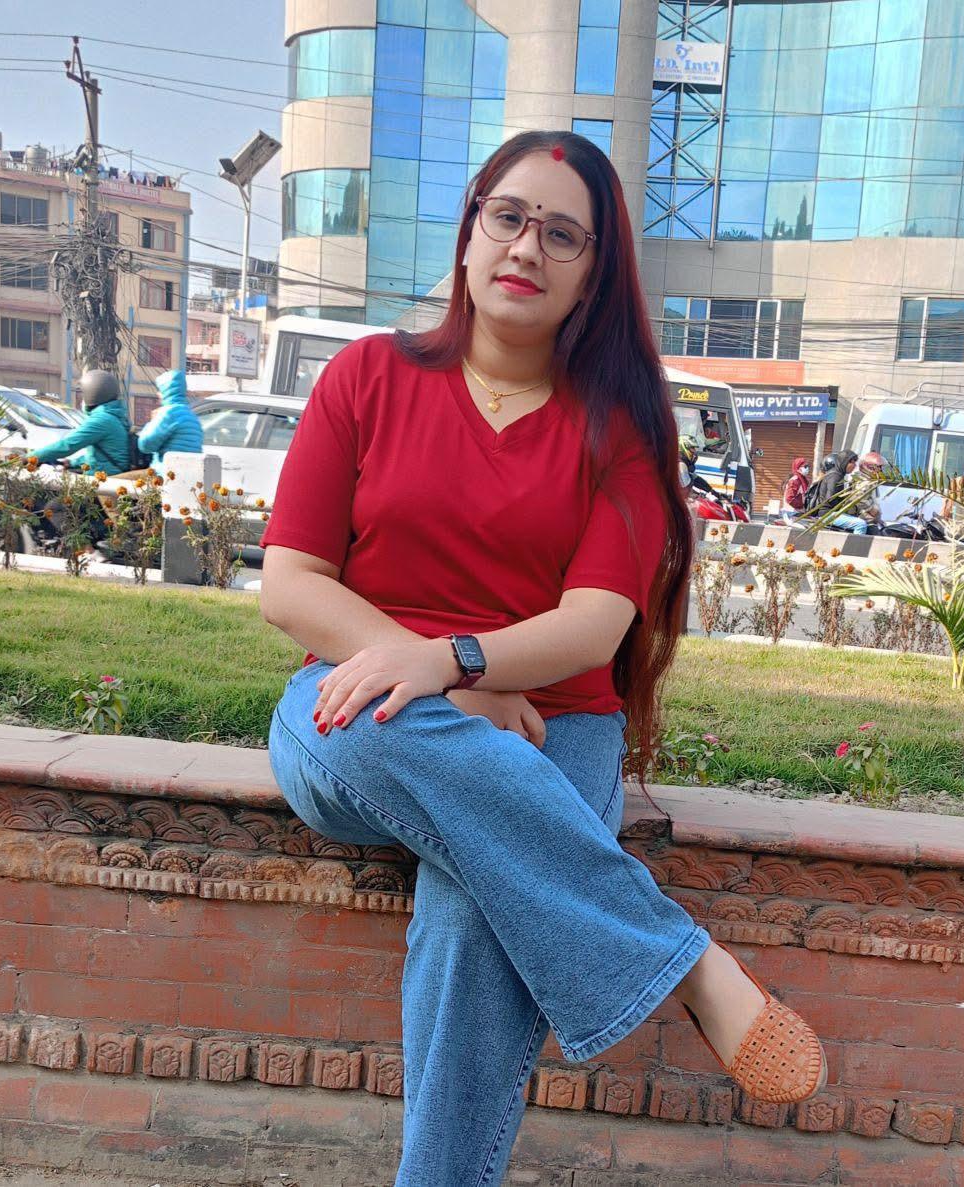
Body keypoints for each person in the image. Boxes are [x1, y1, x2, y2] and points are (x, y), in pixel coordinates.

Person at [259, 131, 826, 1187]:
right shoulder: (366, 376)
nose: (526, 247)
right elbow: (291, 584)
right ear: (470, 229)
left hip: (553, 723)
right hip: (361, 705)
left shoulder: (619, 427)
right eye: (508, 216)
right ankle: (683, 960)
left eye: (562, 234)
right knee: (392, 742)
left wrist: (458, 663)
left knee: (480, 899)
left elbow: (594, 624)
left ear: (592, 273)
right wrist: (436, 678)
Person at [32, 369, 131, 475]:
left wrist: (30, 458)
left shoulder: (102, 420)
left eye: (83, 394)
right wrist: (72, 463)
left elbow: (67, 445)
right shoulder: (114, 417)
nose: (82, 399)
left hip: (104, 478)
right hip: (109, 473)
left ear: (92, 394)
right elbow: (98, 456)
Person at [136, 368, 203, 468]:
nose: (157, 394)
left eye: (160, 390)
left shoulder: (169, 413)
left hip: (167, 472)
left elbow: (145, 445)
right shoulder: (193, 417)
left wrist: (152, 421)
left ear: (166, 391)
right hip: (188, 471)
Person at [807, 450, 867, 534]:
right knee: (861, 524)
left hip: (830, 513)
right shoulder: (835, 476)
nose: (854, 465)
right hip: (828, 514)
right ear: (845, 462)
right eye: (852, 462)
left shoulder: (837, 475)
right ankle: (855, 543)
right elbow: (830, 498)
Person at [848, 450, 887, 533]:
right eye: (879, 467)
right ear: (870, 467)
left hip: (869, 519)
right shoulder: (864, 481)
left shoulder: (869, 480)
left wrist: (879, 519)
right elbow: (859, 499)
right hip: (864, 519)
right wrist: (872, 510)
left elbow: (872, 500)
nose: (880, 470)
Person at [780, 456, 810, 521]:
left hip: (797, 512)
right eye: (805, 466)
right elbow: (789, 498)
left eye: (808, 466)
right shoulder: (794, 480)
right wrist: (801, 506)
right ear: (798, 468)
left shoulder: (803, 480)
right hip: (791, 512)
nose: (807, 469)